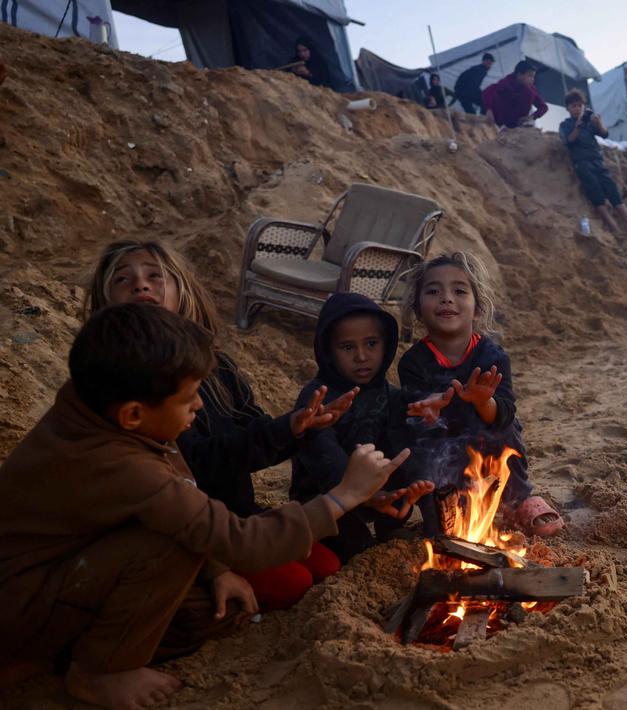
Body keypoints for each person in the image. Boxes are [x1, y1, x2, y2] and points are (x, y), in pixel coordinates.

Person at [0, 304, 423, 709]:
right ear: (133, 414)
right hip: (25, 599)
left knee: (219, 611)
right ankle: (96, 671)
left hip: (74, 569)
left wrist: (216, 568)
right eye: (188, 400)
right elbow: (240, 541)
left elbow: (189, 497)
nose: (200, 405)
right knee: (171, 549)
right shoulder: (122, 464)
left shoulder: (100, 405)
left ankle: (73, 650)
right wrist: (344, 495)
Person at [85, 240, 356, 612]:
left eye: (155, 276)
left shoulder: (217, 367)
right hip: (187, 532)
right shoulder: (128, 384)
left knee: (327, 564)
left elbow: (253, 431)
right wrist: (216, 567)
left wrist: (298, 426)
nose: (141, 284)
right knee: (294, 584)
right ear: (105, 305)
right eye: (122, 279)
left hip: (235, 516)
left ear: (184, 292)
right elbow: (198, 463)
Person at [399, 252, 564, 537]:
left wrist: (483, 401)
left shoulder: (492, 356)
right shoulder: (413, 362)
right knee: (424, 455)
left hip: (485, 438)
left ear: (477, 307)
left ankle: (518, 500)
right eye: (433, 291)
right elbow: (417, 420)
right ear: (417, 308)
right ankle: (445, 507)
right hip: (443, 448)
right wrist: (428, 411)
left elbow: (505, 413)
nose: (446, 298)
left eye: (459, 291)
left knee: (507, 428)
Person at [291, 293, 431, 563]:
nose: (362, 356)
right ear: (328, 351)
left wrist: (410, 484)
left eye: (371, 344)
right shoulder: (317, 398)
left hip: (378, 494)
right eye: (347, 347)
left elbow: (405, 445)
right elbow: (325, 458)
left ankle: (390, 527)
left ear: (386, 345)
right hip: (328, 497)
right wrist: (364, 494)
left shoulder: (390, 395)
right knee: (356, 548)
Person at [558, 90, 627, 234]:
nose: (577, 109)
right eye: (573, 106)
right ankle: (613, 226)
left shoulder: (588, 122)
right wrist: (578, 127)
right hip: (582, 163)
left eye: (579, 105)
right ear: (567, 108)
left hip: (597, 159)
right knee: (596, 193)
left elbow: (604, 134)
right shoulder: (565, 125)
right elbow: (568, 141)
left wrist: (598, 122)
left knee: (612, 189)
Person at [482, 60, 548, 129]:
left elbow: (543, 107)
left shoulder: (531, 91)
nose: (532, 79)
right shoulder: (506, 83)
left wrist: (530, 117)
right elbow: (487, 92)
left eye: (533, 76)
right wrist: (489, 110)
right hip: (496, 124)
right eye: (530, 75)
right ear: (519, 75)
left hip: (515, 128)